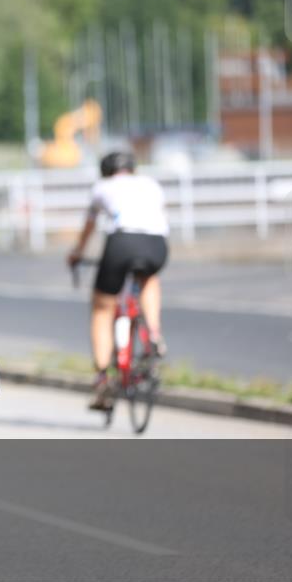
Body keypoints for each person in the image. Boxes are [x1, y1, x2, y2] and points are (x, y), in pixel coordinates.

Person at [67, 151, 169, 411]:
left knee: (102, 308)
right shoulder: (151, 184)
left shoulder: (103, 186)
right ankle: (155, 335)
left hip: (122, 242)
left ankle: (102, 377)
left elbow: (89, 227)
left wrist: (77, 253)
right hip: (156, 244)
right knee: (149, 278)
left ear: (106, 171)